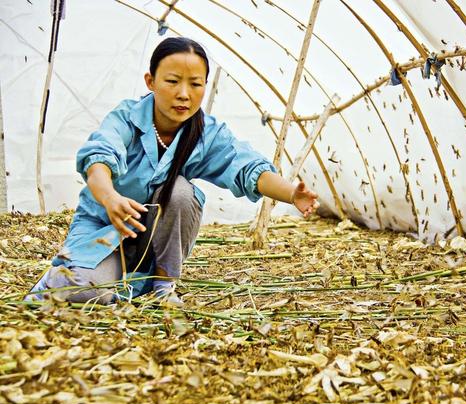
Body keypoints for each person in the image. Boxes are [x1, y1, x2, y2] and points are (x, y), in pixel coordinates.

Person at [25, 37, 319, 306]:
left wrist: (292, 193)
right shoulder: (127, 118)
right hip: (106, 230)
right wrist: (111, 199)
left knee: (179, 191)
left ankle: (163, 285)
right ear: (150, 81)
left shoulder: (206, 133)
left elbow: (246, 167)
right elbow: (99, 159)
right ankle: (105, 282)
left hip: (157, 239)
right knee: (86, 291)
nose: (183, 94)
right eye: (173, 81)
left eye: (195, 84)